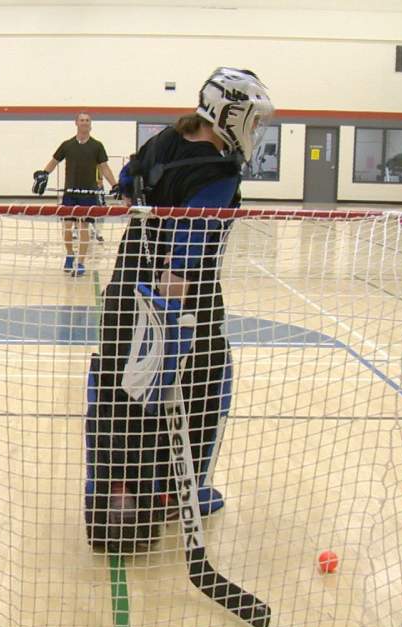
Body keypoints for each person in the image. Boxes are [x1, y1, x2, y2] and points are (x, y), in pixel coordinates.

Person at [84, 67, 273, 552]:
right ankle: (178, 490)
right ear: (229, 114)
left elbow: (125, 185)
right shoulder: (218, 170)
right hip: (181, 298)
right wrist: (172, 327)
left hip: (125, 285)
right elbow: (184, 261)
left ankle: (109, 495)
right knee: (208, 382)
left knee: (114, 387)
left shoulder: (165, 138)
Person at [33, 112, 118, 277]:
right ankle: (70, 254)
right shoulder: (67, 145)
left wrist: (114, 184)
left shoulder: (97, 146)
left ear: (90, 124)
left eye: (87, 120)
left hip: (89, 194)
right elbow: (54, 161)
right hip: (70, 193)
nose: (85, 123)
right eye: (82, 120)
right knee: (67, 226)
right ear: (76, 123)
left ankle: (80, 262)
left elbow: (104, 167)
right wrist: (44, 173)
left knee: (84, 227)